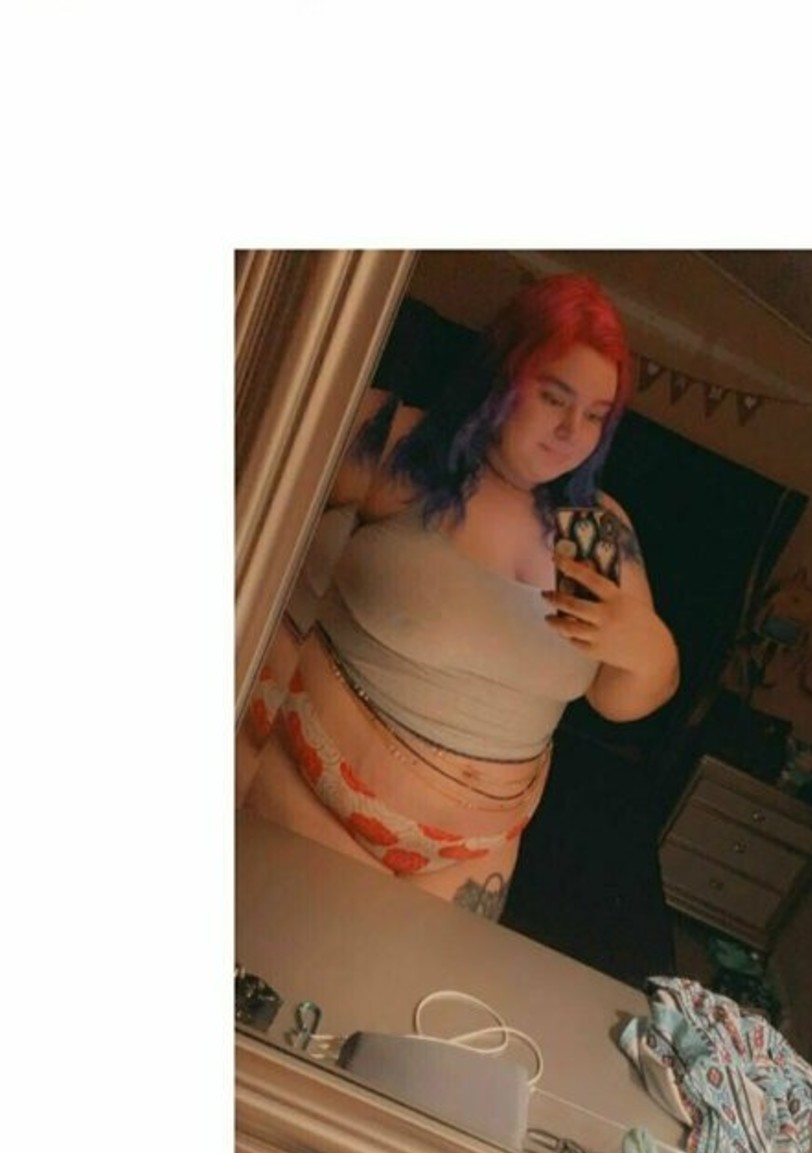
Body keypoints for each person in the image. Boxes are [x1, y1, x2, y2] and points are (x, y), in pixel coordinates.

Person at [240, 272, 680, 918]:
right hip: (307, 796)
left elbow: (620, 701)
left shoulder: (597, 532)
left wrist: (648, 648)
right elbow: (254, 483)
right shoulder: (402, 448)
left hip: (471, 861)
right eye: (553, 398)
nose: (571, 431)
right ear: (504, 375)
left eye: (594, 416)